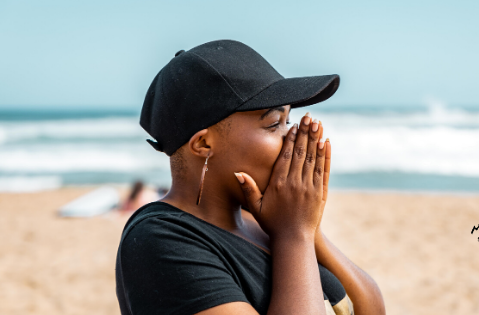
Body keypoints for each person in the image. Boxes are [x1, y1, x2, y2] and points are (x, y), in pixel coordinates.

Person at [115, 40, 385, 315]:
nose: (291, 137)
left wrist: (309, 229)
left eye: (289, 121)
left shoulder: (266, 221)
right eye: (273, 124)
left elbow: (371, 309)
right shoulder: (160, 241)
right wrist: (294, 235)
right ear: (204, 144)